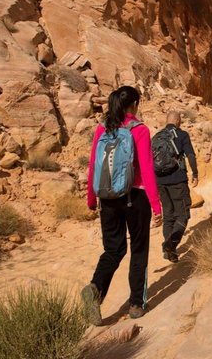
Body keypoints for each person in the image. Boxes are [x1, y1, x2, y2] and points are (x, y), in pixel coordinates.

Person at [82, 86, 162, 326]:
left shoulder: (102, 128)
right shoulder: (140, 130)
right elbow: (147, 169)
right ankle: (137, 303)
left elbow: (94, 165)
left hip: (107, 198)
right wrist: (156, 205)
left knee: (113, 250)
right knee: (139, 250)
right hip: (134, 198)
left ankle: (95, 288)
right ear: (134, 104)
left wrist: (91, 198)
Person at [154, 111, 199, 263]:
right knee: (183, 214)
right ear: (178, 121)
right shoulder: (182, 135)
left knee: (168, 216)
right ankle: (171, 244)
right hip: (177, 180)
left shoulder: (157, 136)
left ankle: (169, 251)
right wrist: (195, 173)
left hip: (159, 181)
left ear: (167, 121)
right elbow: (190, 155)